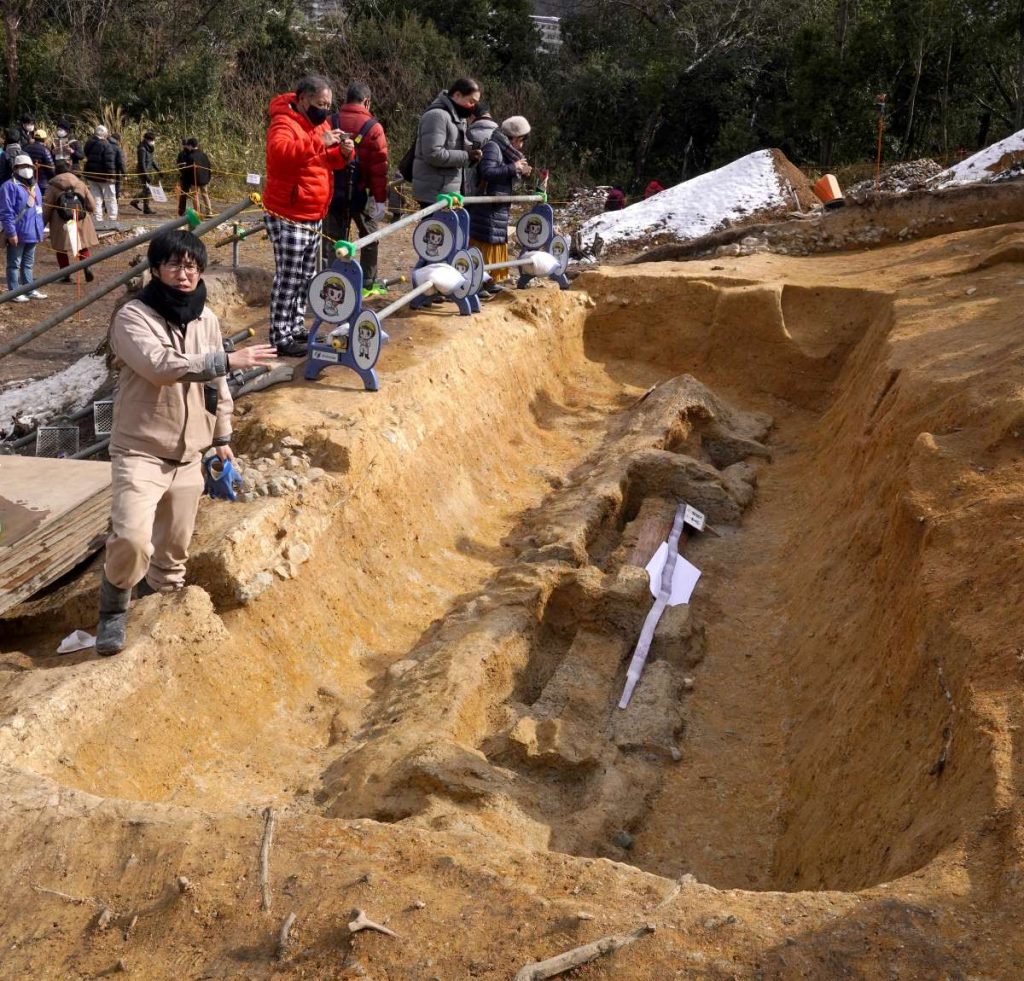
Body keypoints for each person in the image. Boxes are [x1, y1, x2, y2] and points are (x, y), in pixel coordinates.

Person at [95, 230, 277, 655]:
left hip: (190, 452)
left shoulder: (206, 318)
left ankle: (159, 608)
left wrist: (222, 436)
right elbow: (160, 366)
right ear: (156, 269)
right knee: (132, 539)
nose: (184, 274)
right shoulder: (132, 317)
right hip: (140, 448)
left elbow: (216, 384)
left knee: (175, 549)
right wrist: (226, 359)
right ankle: (113, 611)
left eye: (192, 266)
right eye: (175, 265)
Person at [264, 75, 354, 356]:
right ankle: (280, 334)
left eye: (328, 104)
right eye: (320, 104)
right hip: (289, 211)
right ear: (303, 99)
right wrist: (319, 142)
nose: (325, 109)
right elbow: (280, 155)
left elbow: (325, 161)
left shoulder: (321, 123)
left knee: (306, 275)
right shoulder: (284, 122)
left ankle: (296, 326)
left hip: (313, 211)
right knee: (289, 276)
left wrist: (343, 152)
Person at [322, 81, 389, 287]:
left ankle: (333, 280)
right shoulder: (374, 128)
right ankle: (368, 280)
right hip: (362, 193)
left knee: (333, 239)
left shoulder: (329, 121)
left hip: (333, 193)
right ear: (367, 102)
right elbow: (379, 169)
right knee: (369, 237)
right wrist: (380, 199)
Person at [467, 116, 532, 294]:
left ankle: (490, 280)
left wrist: (520, 171)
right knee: (484, 243)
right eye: (522, 140)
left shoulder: (506, 151)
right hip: (487, 206)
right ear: (514, 138)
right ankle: (477, 282)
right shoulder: (493, 147)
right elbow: (487, 172)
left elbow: (503, 174)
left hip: (498, 206)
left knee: (495, 243)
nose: (522, 145)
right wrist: (514, 168)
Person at [412, 77, 483, 208]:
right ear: (457, 95)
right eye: (471, 101)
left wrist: (473, 151)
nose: (473, 107)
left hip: (448, 190)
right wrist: (466, 156)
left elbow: (456, 144)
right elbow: (433, 154)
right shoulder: (437, 116)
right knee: (434, 228)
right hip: (434, 192)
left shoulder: (458, 117)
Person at [0, 154, 47, 300]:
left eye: (29, 166)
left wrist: (41, 230)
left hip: (33, 231)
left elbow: (39, 209)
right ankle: (14, 291)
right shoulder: (8, 186)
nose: (27, 169)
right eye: (23, 166)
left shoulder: (35, 185)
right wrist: (11, 233)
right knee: (14, 263)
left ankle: (29, 289)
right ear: (15, 168)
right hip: (18, 231)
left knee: (28, 263)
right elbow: (6, 212)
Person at [43, 160, 98, 283]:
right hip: (79, 217)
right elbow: (92, 205)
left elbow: (47, 207)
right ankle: (86, 266)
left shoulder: (53, 186)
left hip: (61, 220)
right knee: (80, 245)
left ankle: (65, 273)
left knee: (60, 248)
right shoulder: (80, 183)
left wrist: (42, 224)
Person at [83, 124, 119, 222]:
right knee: (110, 198)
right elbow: (109, 162)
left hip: (91, 175)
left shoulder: (89, 143)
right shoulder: (106, 145)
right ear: (104, 134)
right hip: (104, 177)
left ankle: (97, 219)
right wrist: (111, 176)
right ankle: (112, 218)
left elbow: (85, 154)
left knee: (96, 198)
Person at [464, 102, 498, 197]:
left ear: (471, 116)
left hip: (474, 190)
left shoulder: (470, 134)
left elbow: (469, 166)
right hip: (498, 189)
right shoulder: (502, 133)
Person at [176, 137, 213, 216]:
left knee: (195, 195)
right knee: (205, 194)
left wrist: (186, 180)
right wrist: (208, 178)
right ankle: (209, 212)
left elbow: (188, 170)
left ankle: (197, 212)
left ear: (190, 145)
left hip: (194, 180)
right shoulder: (204, 155)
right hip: (204, 179)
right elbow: (209, 167)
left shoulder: (191, 156)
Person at [130, 131, 160, 214]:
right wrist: (146, 175)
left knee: (147, 189)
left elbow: (151, 160)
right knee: (147, 190)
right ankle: (146, 208)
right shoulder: (142, 149)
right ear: (147, 140)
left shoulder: (149, 148)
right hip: (143, 171)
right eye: (152, 140)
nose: (153, 141)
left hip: (148, 170)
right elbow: (142, 163)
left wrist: (158, 170)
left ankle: (135, 201)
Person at [25, 129, 55, 194]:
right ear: (44, 139)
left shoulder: (26, 148)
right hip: (42, 183)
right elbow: (51, 169)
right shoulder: (45, 150)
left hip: (28, 180)